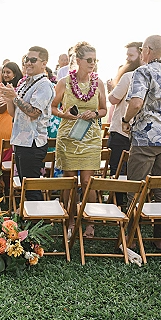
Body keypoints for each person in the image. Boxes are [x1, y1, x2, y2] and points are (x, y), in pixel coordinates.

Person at [122, 35, 161, 250]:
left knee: (135, 187)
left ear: (146, 49)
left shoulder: (143, 72)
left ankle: (129, 238)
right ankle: (160, 239)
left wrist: (125, 119)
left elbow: (136, 103)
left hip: (146, 137)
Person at [52, 42, 107, 236]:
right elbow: (52, 107)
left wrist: (94, 113)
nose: (93, 63)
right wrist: (65, 115)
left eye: (95, 60)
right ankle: (70, 220)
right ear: (78, 60)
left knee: (87, 180)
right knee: (69, 179)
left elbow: (104, 110)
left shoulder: (98, 83)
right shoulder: (64, 82)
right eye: (89, 60)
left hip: (91, 136)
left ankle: (90, 222)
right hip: (69, 135)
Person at [0, 47, 55, 202]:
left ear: (44, 63)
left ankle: (38, 223)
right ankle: (28, 220)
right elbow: (13, 113)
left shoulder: (44, 85)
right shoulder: (25, 83)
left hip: (33, 142)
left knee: (31, 188)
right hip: (20, 139)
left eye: (33, 60)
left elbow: (34, 113)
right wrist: (9, 98)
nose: (28, 63)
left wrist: (15, 97)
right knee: (25, 185)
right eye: (26, 59)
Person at [106, 42, 142, 205]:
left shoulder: (129, 76)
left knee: (117, 168)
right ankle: (134, 202)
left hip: (122, 128)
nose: (127, 59)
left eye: (130, 55)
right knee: (136, 170)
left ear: (142, 54)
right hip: (142, 132)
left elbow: (113, 99)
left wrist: (112, 89)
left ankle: (118, 203)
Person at [0, 62, 22, 158]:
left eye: (8, 72)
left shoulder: (12, 90)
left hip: (8, 124)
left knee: (4, 157)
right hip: (0, 123)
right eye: (4, 72)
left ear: (15, 74)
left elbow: (0, 109)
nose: (5, 75)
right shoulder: (5, 87)